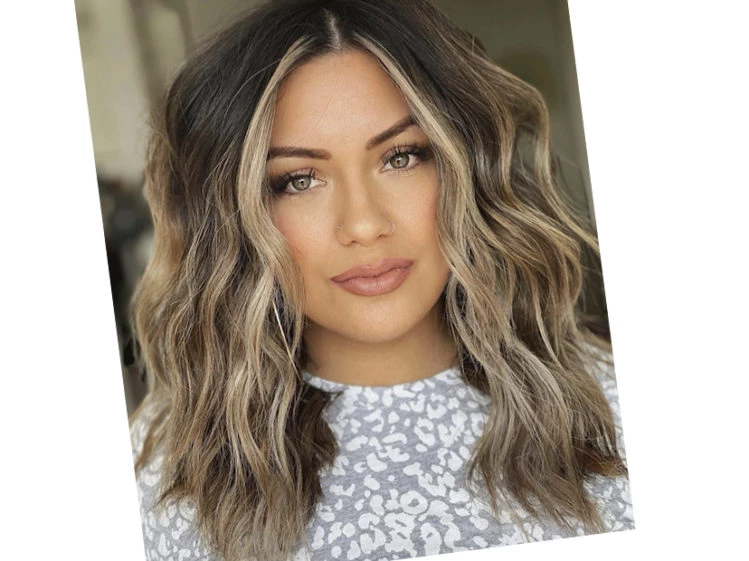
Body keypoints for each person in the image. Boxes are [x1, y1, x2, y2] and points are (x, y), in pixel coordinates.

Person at [129, 1, 634, 560]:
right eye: (299, 180)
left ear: (466, 166)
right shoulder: (169, 472)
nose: (365, 225)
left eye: (401, 157)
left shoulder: (613, 405)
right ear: (233, 216)